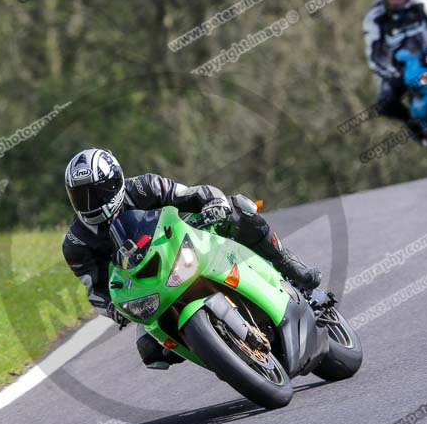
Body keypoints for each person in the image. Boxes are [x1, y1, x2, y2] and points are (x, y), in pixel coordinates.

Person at [62, 147, 321, 369]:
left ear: (115, 181)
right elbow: (95, 289)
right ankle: (220, 353)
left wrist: (213, 203)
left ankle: (289, 264)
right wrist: (113, 309)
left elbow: (189, 194)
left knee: (238, 209)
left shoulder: (142, 187)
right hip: (150, 285)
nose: (90, 202)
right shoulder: (76, 243)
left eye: (97, 192)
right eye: (80, 196)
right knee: (150, 350)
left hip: (185, 242)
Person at [363, 0, 427, 141]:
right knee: (385, 104)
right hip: (396, 67)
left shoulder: (420, 3)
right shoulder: (374, 18)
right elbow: (373, 54)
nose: (396, 3)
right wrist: (392, 75)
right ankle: (418, 130)